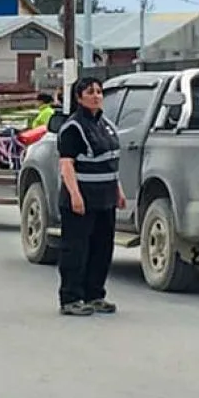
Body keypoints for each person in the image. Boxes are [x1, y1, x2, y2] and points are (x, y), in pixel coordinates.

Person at [55, 77, 126, 316]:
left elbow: (111, 160)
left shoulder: (106, 124)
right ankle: (71, 298)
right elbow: (66, 165)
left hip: (105, 199)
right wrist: (75, 196)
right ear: (78, 97)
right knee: (76, 249)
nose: (96, 96)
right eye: (90, 92)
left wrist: (119, 191)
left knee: (102, 249)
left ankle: (94, 294)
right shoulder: (73, 127)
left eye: (98, 91)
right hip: (81, 199)